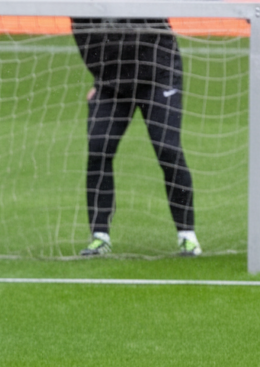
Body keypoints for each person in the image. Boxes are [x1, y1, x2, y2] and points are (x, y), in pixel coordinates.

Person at [71, 18, 201, 257]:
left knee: (167, 149)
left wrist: (251, 11)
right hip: (111, 83)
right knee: (99, 147)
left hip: (158, 73)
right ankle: (100, 236)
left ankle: (187, 236)